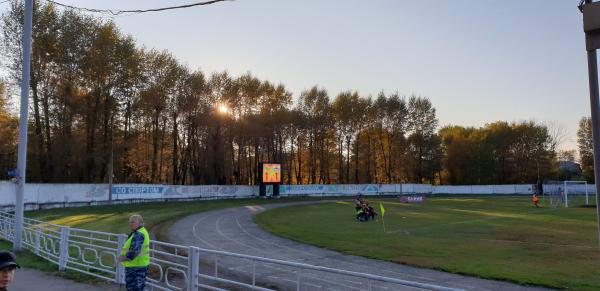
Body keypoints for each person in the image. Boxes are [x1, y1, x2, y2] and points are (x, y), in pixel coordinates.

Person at [117, 214, 150, 291]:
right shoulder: (141, 232)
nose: (130, 224)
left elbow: (134, 252)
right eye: (129, 222)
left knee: (133, 289)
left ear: (140, 223)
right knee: (139, 288)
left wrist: (121, 258)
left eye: (133, 222)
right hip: (139, 265)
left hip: (135, 268)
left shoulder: (139, 234)